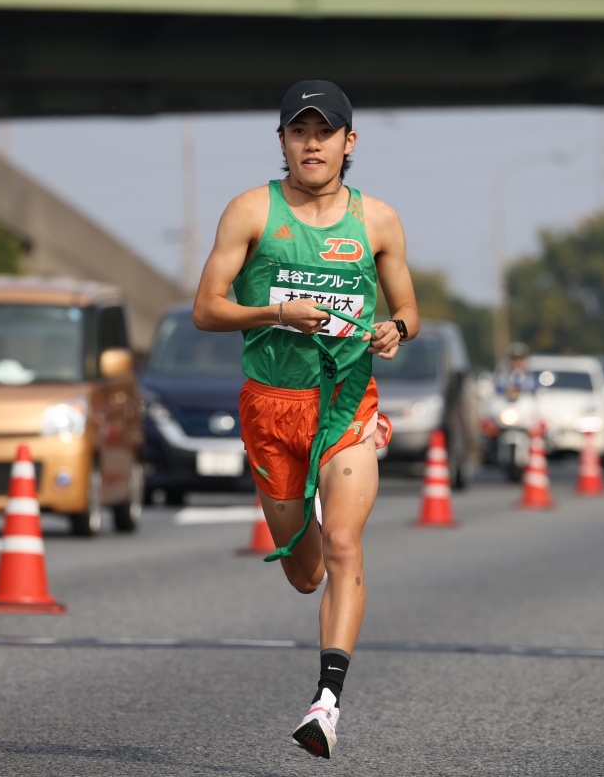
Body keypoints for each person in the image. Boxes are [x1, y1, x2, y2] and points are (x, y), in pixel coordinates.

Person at [192, 79, 419, 759]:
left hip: (346, 399)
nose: (311, 143)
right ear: (284, 140)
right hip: (271, 406)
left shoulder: (377, 220)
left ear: (349, 143)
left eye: (325, 132)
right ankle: (305, 537)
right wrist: (276, 311)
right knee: (305, 570)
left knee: (346, 543)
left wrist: (394, 330)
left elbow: (409, 308)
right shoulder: (250, 211)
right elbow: (206, 309)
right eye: (299, 131)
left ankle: (326, 703)